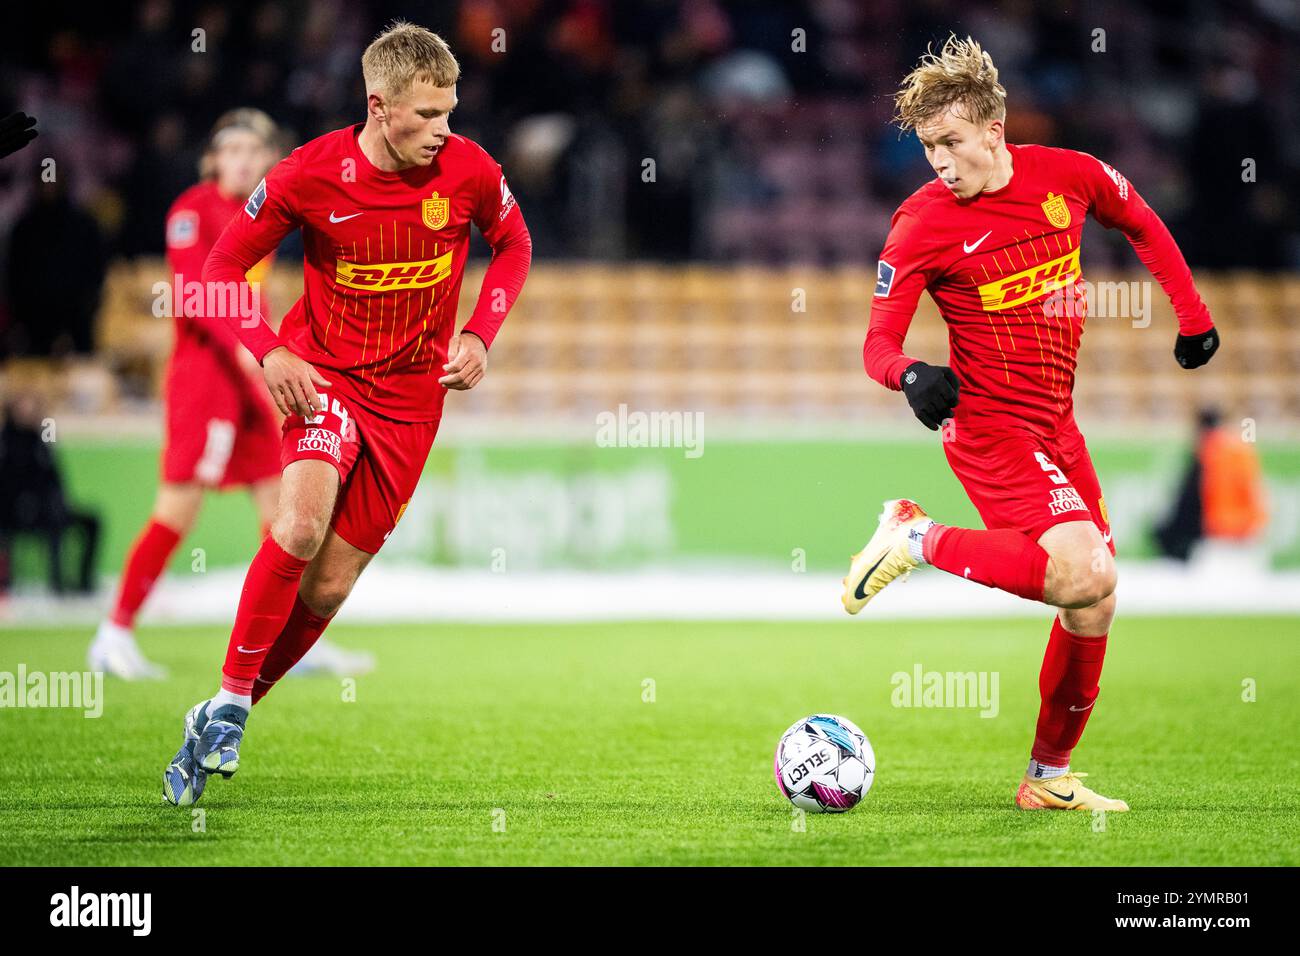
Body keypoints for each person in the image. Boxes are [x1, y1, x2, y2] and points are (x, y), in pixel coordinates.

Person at [843, 36, 1220, 812]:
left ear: (992, 130)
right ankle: (912, 536)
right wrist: (910, 374)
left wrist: (1193, 317)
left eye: (951, 143)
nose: (940, 163)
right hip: (990, 429)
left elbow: (1141, 219)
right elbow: (876, 343)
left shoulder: (1069, 177)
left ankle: (1047, 779)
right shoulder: (921, 222)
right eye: (927, 148)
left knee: (1096, 600)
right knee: (1086, 573)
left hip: (1058, 426)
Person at [161, 22, 531, 806]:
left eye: (451, 112)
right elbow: (224, 264)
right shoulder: (309, 174)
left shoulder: (468, 170)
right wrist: (268, 349)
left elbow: (516, 243)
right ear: (379, 105)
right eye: (428, 115)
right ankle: (230, 695)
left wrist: (480, 333)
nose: (444, 130)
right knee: (297, 527)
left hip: (410, 404)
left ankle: (223, 714)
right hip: (322, 375)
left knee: (327, 589)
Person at [89, 108, 372, 680]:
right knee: (177, 512)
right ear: (213, 159)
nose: (243, 160)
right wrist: (251, 348)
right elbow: (196, 293)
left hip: (250, 378)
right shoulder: (191, 211)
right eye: (232, 150)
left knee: (289, 512)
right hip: (207, 378)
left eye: (253, 151)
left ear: (267, 160)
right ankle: (113, 634)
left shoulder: (259, 212)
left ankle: (293, 644)